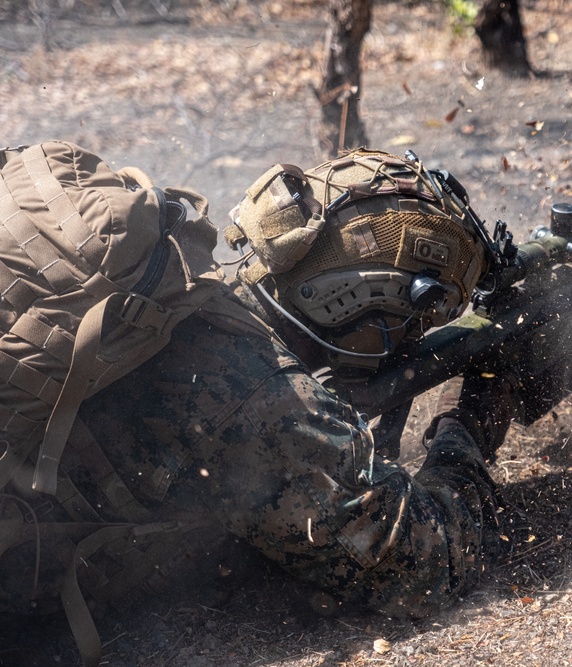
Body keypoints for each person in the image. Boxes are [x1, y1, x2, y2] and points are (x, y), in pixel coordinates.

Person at [0, 148, 523, 660]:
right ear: (358, 300)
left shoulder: (161, 291)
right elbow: (427, 568)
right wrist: (472, 414)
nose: (415, 337)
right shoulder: (256, 400)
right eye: (421, 319)